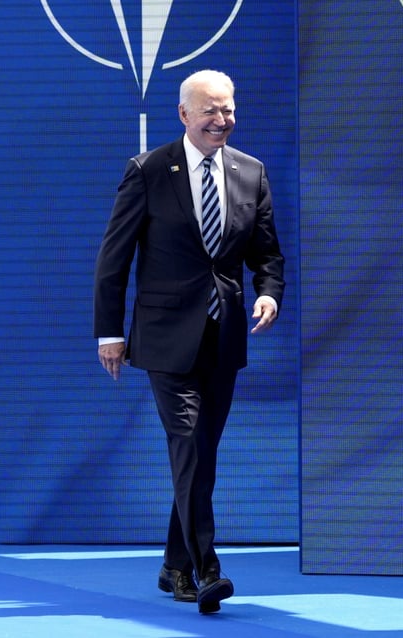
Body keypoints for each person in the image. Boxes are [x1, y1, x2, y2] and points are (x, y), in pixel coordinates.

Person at [93, 69, 285, 614]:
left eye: (227, 110)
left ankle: (173, 564)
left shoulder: (251, 172)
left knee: (202, 454)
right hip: (161, 339)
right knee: (188, 445)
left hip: (222, 337)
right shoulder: (149, 171)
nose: (221, 120)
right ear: (184, 114)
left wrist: (269, 293)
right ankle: (206, 569)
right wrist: (110, 333)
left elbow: (267, 255)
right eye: (210, 111)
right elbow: (114, 260)